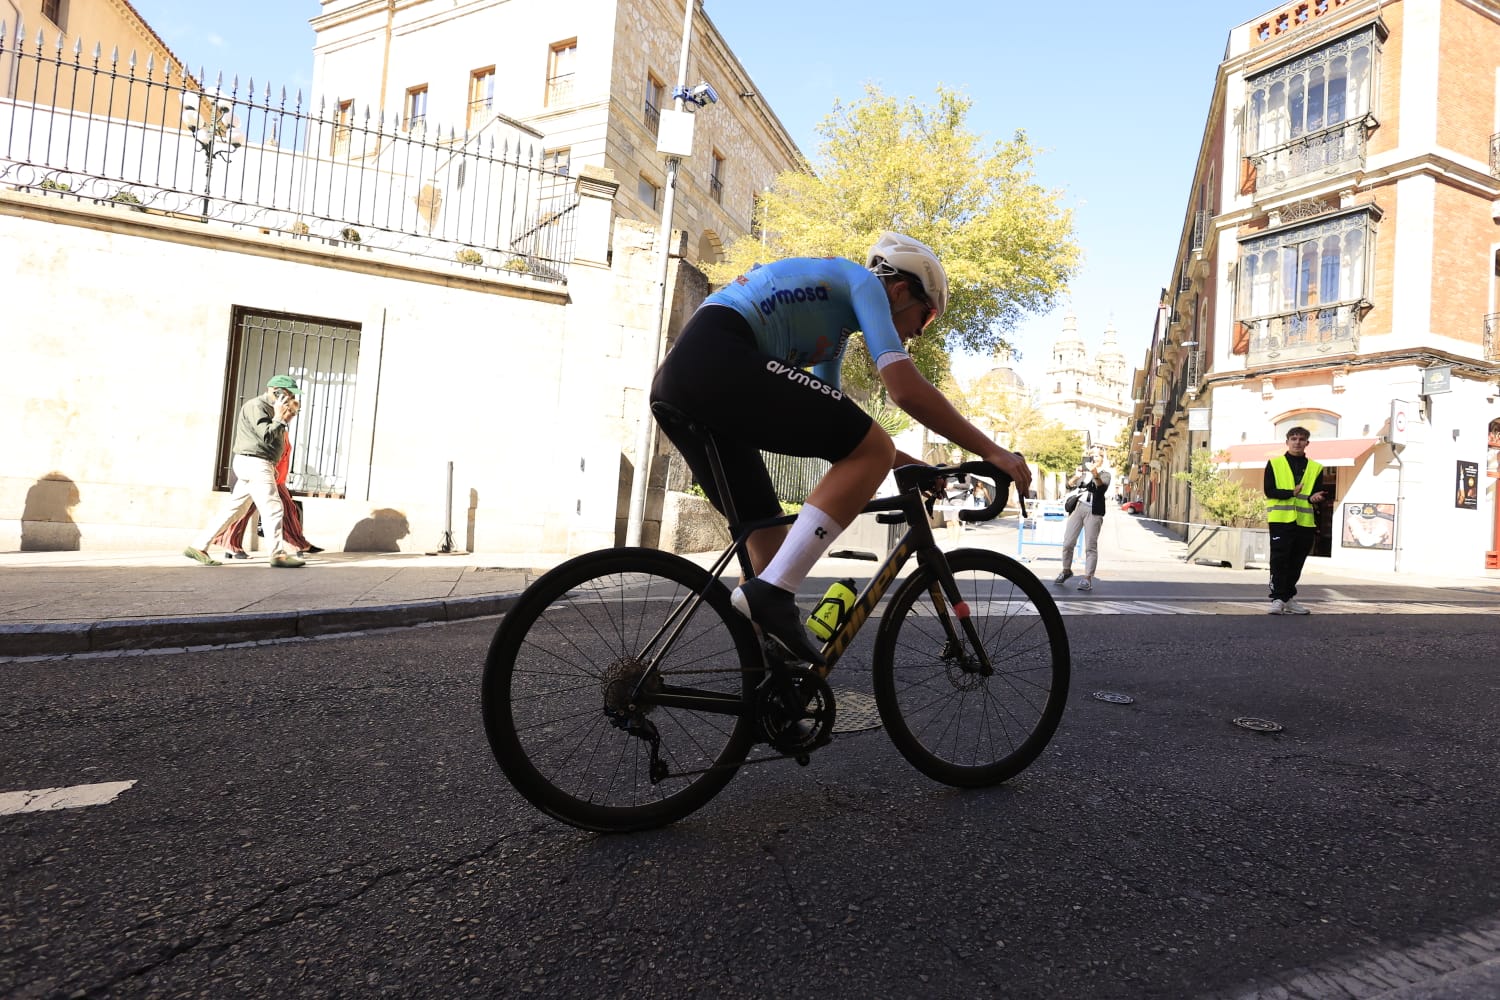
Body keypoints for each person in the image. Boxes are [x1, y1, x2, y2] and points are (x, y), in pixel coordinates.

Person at [650, 232, 1032, 665]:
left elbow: (837, 430)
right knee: (777, 579)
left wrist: (914, 466)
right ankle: (773, 593)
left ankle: (769, 694)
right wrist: (992, 450)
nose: (917, 335)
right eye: (925, 318)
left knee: (770, 541)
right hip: (716, 358)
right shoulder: (865, 284)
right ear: (900, 290)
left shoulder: (832, 334)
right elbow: (903, 391)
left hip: (687, 383)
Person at [183, 375, 307, 569]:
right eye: (288, 393)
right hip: (254, 462)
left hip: (258, 463)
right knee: (273, 508)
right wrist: (278, 418)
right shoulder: (256, 407)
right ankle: (277, 555)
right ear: (276, 391)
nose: (291, 398)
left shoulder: (271, 409)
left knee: (234, 509)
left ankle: (198, 546)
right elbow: (265, 435)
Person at [212, 427, 323, 558]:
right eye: (291, 410)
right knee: (245, 509)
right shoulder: (269, 428)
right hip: (263, 476)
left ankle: (299, 544)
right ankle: (228, 542)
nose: (293, 414)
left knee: (288, 509)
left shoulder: (282, 430)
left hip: (277, 478)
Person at [1263, 425, 1326, 614]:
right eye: (1294, 438)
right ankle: (1277, 599)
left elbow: (1317, 494)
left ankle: (1288, 598)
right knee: (1279, 561)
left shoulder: (1316, 468)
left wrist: (1316, 498)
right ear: (1287, 442)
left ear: (1307, 443)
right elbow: (1269, 491)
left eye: (1301, 439)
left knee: (1296, 562)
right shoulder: (1274, 464)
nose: (1297, 442)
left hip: (1305, 522)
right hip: (1281, 520)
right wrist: (1290, 492)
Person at [1055, 451, 1110, 592]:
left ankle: (1087, 578)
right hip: (1078, 508)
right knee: (1068, 542)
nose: (1094, 458)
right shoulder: (1084, 473)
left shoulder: (1105, 474)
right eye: (1092, 455)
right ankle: (1066, 570)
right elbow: (1069, 485)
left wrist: (1094, 472)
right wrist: (1076, 476)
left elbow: (1100, 488)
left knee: (1090, 546)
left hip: (1094, 511)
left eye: (1097, 456)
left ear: (1102, 459)